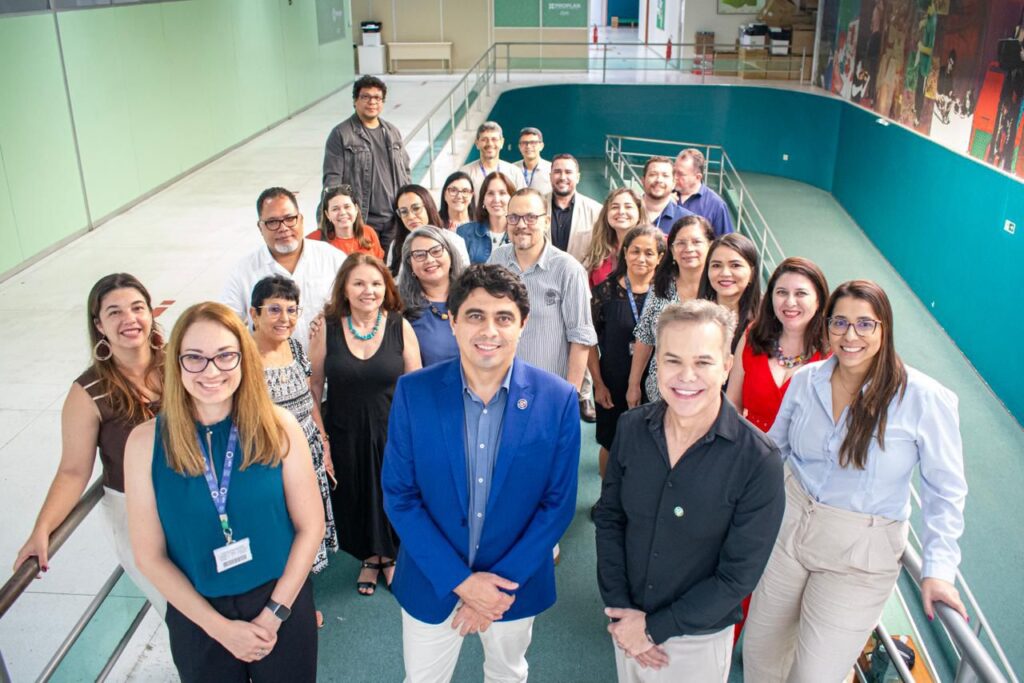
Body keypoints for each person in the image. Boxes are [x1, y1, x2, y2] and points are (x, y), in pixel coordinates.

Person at [743, 279, 969, 682]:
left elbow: (945, 490)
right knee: (761, 656)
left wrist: (938, 568)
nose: (850, 335)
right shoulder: (806, 380)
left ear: (885, 328)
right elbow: (774, 451)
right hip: (790, 529)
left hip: (860, 555)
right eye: (840, 322)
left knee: (813, 675)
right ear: (827, 326)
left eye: (865, 324)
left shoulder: (923, 398)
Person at [382, 264, 581, 682]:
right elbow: (400, 496)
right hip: (432, 579)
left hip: (513, 586)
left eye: (503, 317)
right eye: (475, 315)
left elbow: (557, 505)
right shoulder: (414, 392)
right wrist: (461, 582)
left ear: (523, 324)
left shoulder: (558, 399)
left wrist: (494, 589)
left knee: (508, 674)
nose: (489, 330)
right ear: (453, 321)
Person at [124, 302, 324, 681]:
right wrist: (218, 629)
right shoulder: (144, 444)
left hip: (279, 603)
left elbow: (311, 526)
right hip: (198, 614)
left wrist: (274, 614)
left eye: (225, 355)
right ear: (176, 364)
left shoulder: (279, 427)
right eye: (195, 357)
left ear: (244, 359)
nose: (211, 371)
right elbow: (148, 555)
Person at [596, 300, 784, 682]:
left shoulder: (758, 460)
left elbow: (737, 577)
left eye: (702, 362)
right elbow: (610, 520)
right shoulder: (630, 428)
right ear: (657, 362)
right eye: (673, 360)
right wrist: (621, 610)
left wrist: (652, 629)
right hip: (627, 623)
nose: (686, 376)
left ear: (727, 366)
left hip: (696, 639)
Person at [14, 273, 167, 615]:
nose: (129, 319)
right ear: (99, 325)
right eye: (114, 312)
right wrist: (42, 528)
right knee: (177, 608)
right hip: (136, 513)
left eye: (137, 308)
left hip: (193, 496)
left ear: (150, 313)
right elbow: (72, 471)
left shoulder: (182, 363)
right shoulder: (88, 392)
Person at [309, 254, 421, 595]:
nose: (367, 291)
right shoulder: (326, 328)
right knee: (357, 496)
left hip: (392, 432)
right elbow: (313, 387)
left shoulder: (399, 326)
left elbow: (415, 386)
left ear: (386, 287)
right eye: (358, 283)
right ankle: (370, 558)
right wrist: (322, 439)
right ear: (344, 288)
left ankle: (392, 557)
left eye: (375, 283)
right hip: (344, 432)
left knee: (390, 494)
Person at [249, 276, 339, 627]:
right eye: (274, 310)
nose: (284, 318)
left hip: (309, 454)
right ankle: (281, 605)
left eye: (291, 310)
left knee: (307, 531)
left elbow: (309, 398)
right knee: (280, 535)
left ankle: (301, 602)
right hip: (271, 463)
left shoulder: (297, 348)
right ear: (254, 314)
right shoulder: (244, 359)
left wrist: (324, 442)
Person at [488, 189, 597, 399]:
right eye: (514, 217)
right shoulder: (496, 260)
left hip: (549, 392)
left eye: (530, 217)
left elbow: (581, 337)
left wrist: (569, 395)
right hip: (503, 389)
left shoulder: (568, 270)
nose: (521, 225)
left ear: (546, 222)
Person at [222, 187, 346, 351]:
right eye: (272, 222)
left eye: (289, 218)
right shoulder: (244, 271)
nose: (283, 228)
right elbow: (226, 326)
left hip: (331, 361)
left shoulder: (333, 258)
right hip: (271, 365)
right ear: (260, 227)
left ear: (301, 219)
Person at [588, 226, 665, 483]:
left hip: (655, 384)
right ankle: (607, 497)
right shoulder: (604, 293)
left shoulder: (667, 295)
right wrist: (598, 384)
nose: (641, 258)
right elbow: (588, 342)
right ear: (624, 253)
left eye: (649, 253)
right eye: (635, 251)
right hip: (613, 382)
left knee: (651, 446)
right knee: (611, 443)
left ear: (660, 258)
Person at [726, 257, 830, 433]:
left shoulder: (832, 353)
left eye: (801, 293)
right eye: (782, 292)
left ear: (819, 299)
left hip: (803, 450)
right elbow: (732, 404)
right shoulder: (752, 336)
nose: (790, 302)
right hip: (749, 444)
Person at [627, 215, 715, 407]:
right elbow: (644, 337)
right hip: (659, 395)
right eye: (681, 243)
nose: (688, 249)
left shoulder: (718, 290)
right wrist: (633, 385)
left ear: (710, 246)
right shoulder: (662, 288)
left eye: (696, 242)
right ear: (673, 251)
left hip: (704, 397)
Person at [322, 75, 411, 254]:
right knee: (366, 267)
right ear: (355, 101)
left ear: (382, 102)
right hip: (363, 221)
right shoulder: (341, 134)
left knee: (392, 267)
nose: (372, 102)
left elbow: (406, 172)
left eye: (377, 97)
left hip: (394, 219)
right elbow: (332, 180)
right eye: (366, 97)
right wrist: (330, 218)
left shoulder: (392, 131)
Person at [397, 226, 467, 366]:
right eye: (419, 255)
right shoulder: (401, 308)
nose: (429, 259)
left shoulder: (473, 296)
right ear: (410, 264)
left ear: (450, 254)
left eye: (436, 251)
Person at [697, 233, 761, 354]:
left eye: (735, 265)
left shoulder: (766, 321)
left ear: (752, 274)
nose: (725, 273)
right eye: (716, 265)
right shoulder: (694, 317)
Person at [387, 184, 470, 274]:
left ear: (428, 207)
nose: (410, 216)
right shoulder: (396, 245)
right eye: (404, 211)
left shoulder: (453, 240)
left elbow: (465, 278)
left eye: (416, 208)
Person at [583, 187, 649, 288]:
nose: (621, 211)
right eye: (615, 207)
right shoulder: (599, 249)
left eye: (628, 207)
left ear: (639, 213)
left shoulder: (655, 246)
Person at [545, 153, 602, 261]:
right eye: (557, 172)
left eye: (568, 172)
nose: (562, 177)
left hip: (582, 270)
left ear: (577, 177)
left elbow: (598, 251)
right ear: (550, 176)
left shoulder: (596, 211)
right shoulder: (536, 206)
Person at [308, 185, 385, 259]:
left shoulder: (368, 232)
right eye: (335, 209)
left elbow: (379, 264)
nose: (342, 212)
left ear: (356, 209)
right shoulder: (315, 239)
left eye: (347, 207)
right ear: (327, 214)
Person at [672, 149, 734, 236]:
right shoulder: (664, 196)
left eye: (680, 174)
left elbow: (727, 241)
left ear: (698, 177)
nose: (675, 177)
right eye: (674, 171)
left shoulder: (716, 205)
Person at [457, 172, 515, 264]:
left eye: (502, 193)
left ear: (512, 198)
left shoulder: (521, 233)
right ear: (483, 199)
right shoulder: (464, 233)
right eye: (490, 193)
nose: (496, 199)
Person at [459, 122, 526, 201]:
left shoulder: (514, 172)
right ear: (477, 143)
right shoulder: (465, 173)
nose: (490, 143)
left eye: (494, 139)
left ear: (502, 142)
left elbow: (523, 202)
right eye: (484, 139)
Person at [641, 156, 694, 234]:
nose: (659, 180)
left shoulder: (687, 220)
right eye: (653, 174)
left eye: (665, 176)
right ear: (643, 181)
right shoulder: (627, 214)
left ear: (674, 183)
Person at [513, 127, 552, 194]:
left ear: (541, 146)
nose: (528, 146)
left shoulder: (551, 169)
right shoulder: (512, 169)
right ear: (519, 147)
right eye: (524, 143)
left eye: (533, 143)